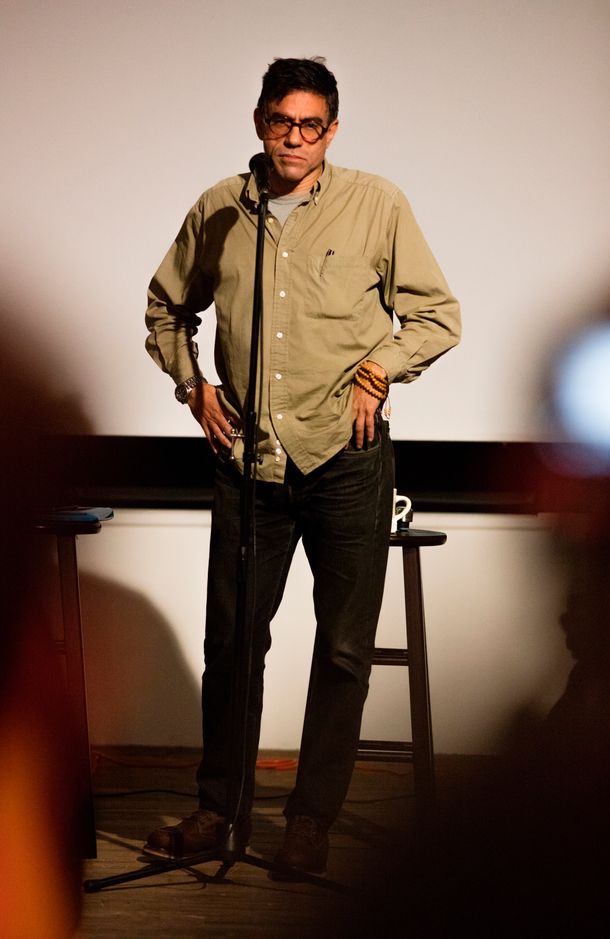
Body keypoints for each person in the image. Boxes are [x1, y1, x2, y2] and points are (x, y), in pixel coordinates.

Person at [144, 56, 461, 876]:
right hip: (250, 462)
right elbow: (166, 307)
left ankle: (310, 819)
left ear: (331, 131)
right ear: (260, 122)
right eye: (282, 121)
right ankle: (219, 808)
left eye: (310, 125)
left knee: (344, 650)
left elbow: (437, 316)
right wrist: (191, 385)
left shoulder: (377, 204)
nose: (294, 137)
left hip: (346, 461)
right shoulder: (220, 209)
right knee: (232, 644)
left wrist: (380, 369)